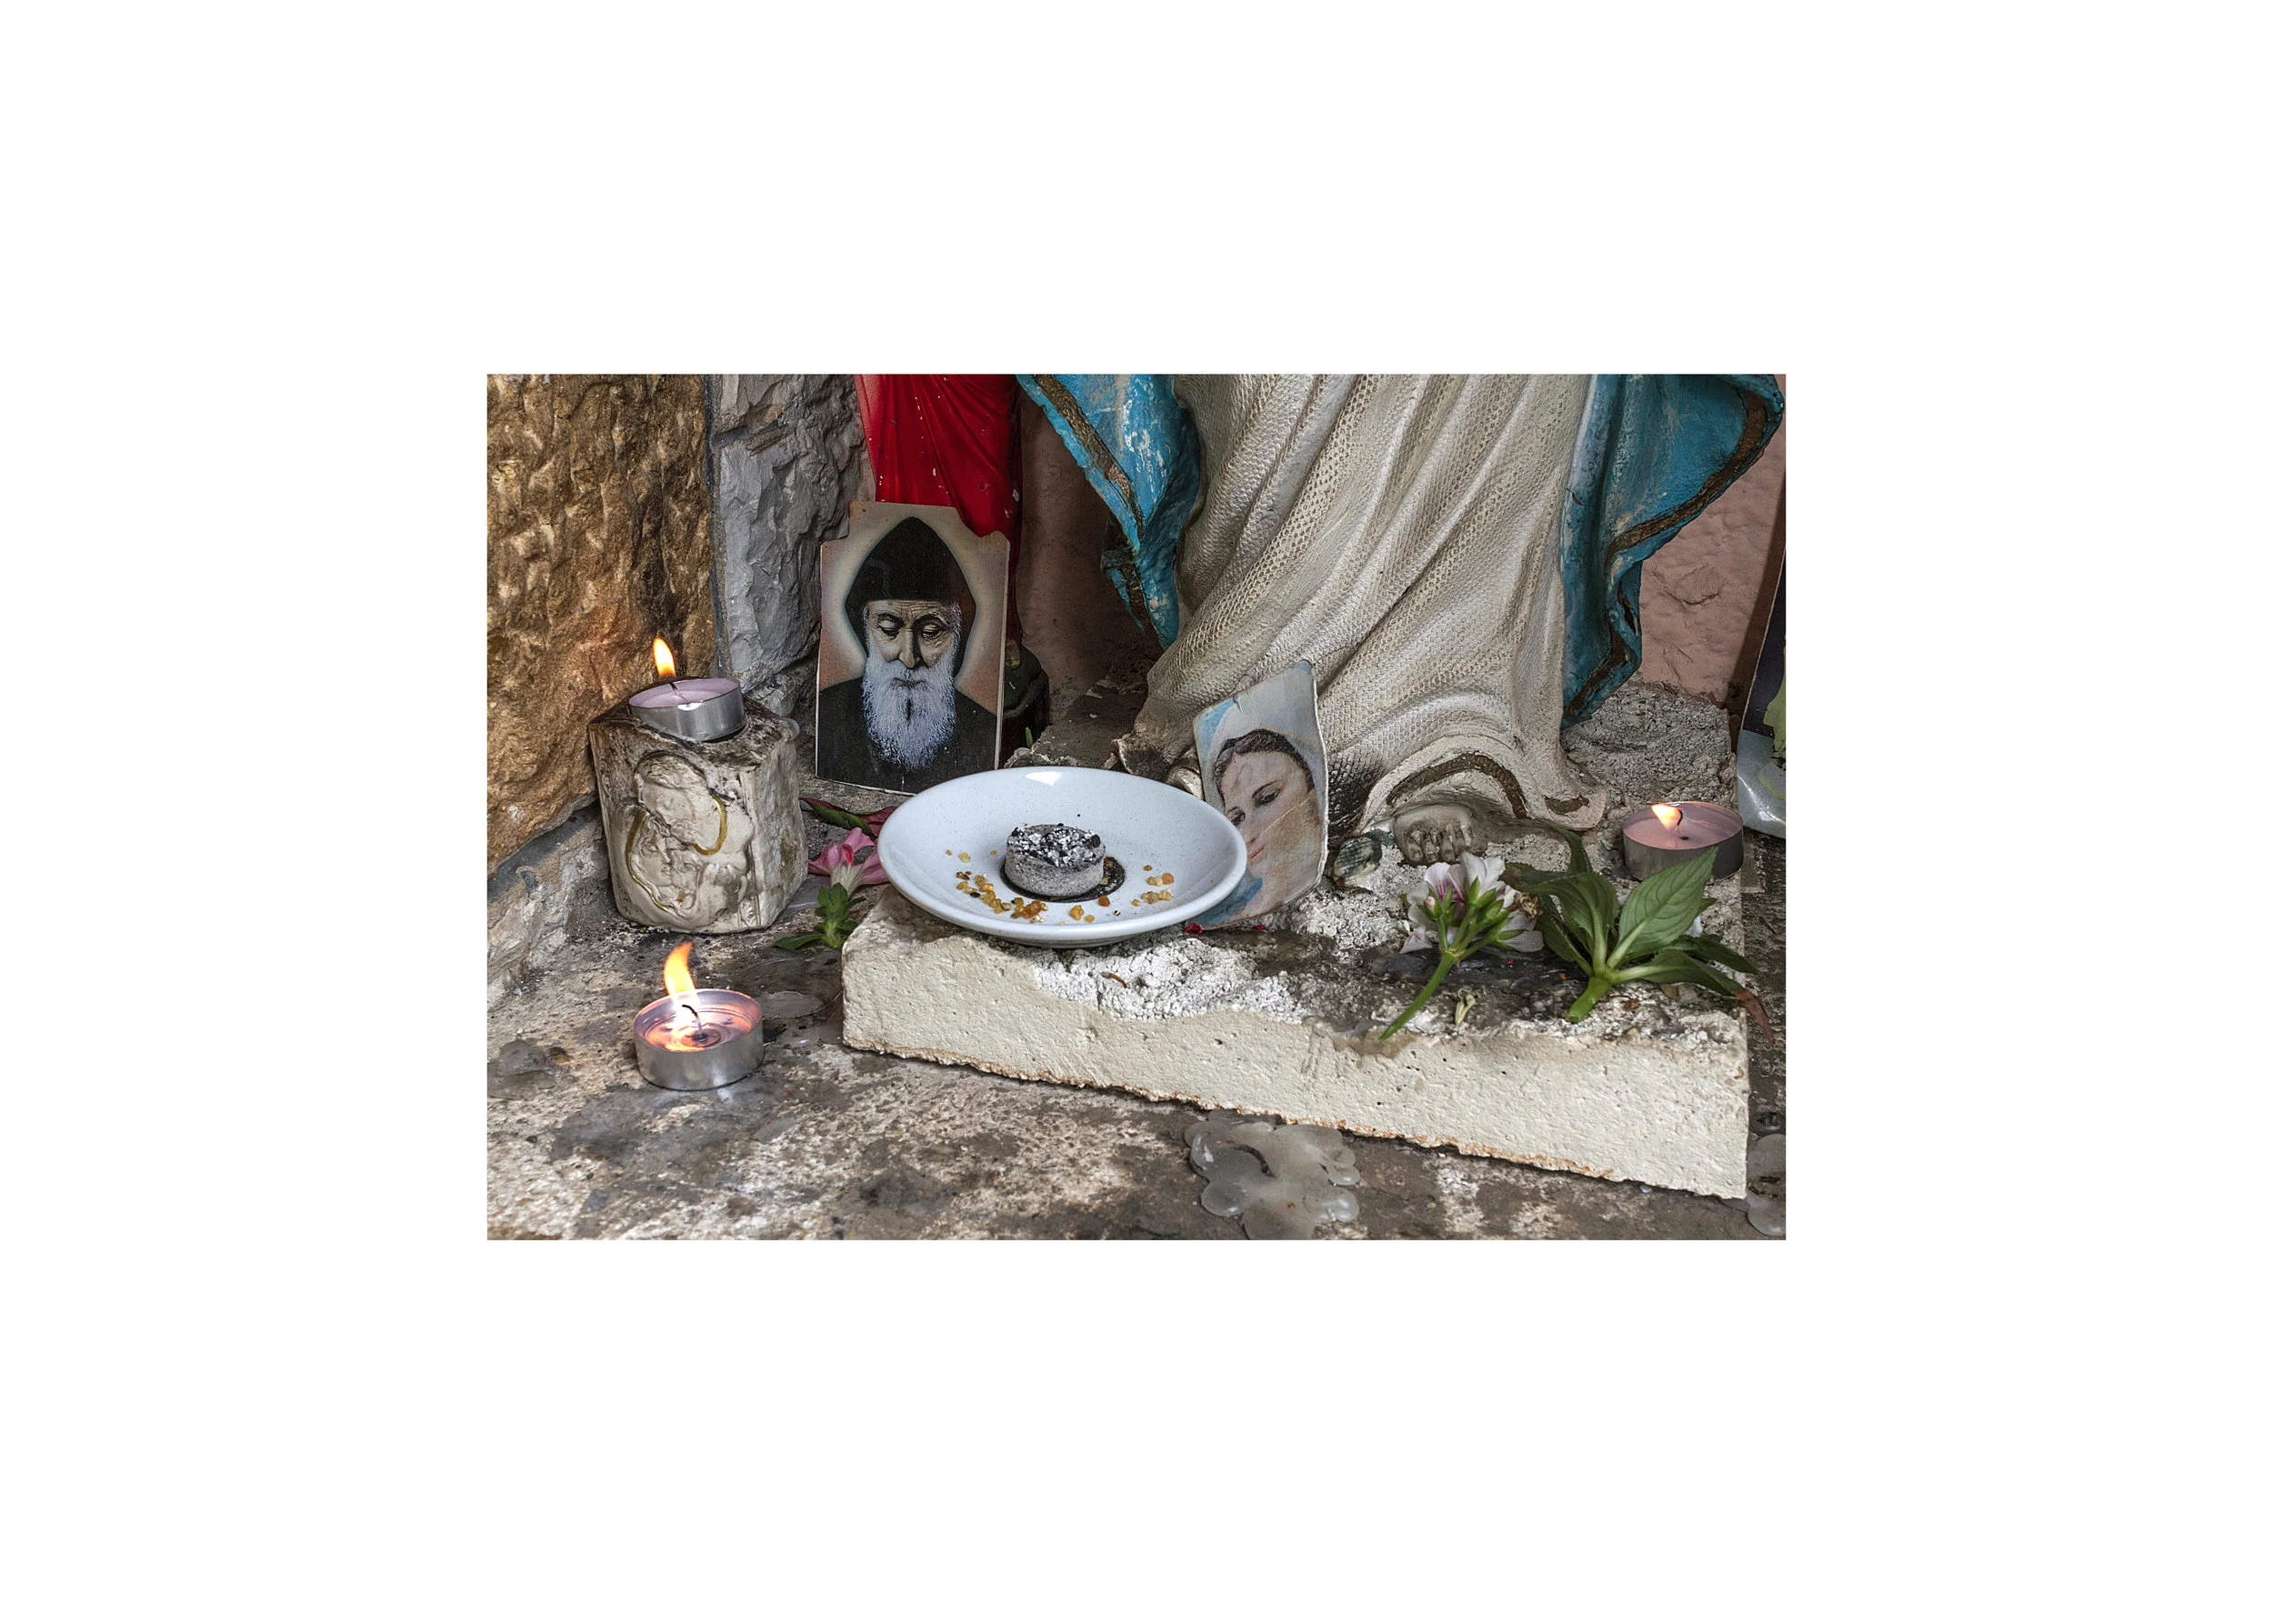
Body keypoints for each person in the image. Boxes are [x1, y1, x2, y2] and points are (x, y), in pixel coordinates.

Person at [816, 516, 999, 792]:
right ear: (865, 631)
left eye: (931, 632)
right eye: (889, 629)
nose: (910, 659)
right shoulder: (830, 717)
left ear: (959, 638)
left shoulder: (984, 732)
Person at [1197, 728, 1327, 923]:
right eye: (1236, 819)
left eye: (1267, 798)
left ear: (1313, 799)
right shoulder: (1229, 914)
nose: (1248, 834)